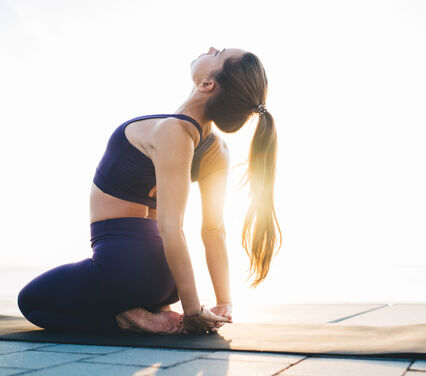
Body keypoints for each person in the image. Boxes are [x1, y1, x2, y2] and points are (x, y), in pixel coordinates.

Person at [17, 47, 282, 335]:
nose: (210, 48)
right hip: (166, 283)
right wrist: (223, 302)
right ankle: (151, 309)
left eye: (218, 54)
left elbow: (171, 226)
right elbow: (214, 231)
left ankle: (128, 318)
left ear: (207, 84)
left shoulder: (173, 131)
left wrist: (193, 311)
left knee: (31, 302)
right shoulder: (217, 149)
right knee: (93, 290)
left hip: (122, 267)